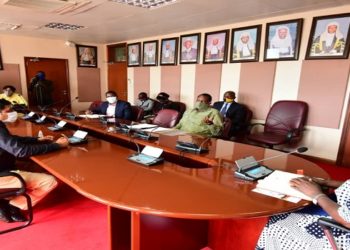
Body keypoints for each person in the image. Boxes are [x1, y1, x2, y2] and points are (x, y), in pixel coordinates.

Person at [0, 99, 69, 223]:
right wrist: (57, 146)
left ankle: (7, 200)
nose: (11, 113)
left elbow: (11, 140)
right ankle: (13, 205)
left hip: (4, 165)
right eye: (8, 110)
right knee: (50, 181)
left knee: (35, 165)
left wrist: (36, 140)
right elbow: (21, 151)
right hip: (2, 174)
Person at [256, 177, 350, 249]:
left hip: (340, 223)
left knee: (279, 217)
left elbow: (346, 220)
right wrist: (327, 182)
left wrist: (317, 194)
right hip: (342, 202)